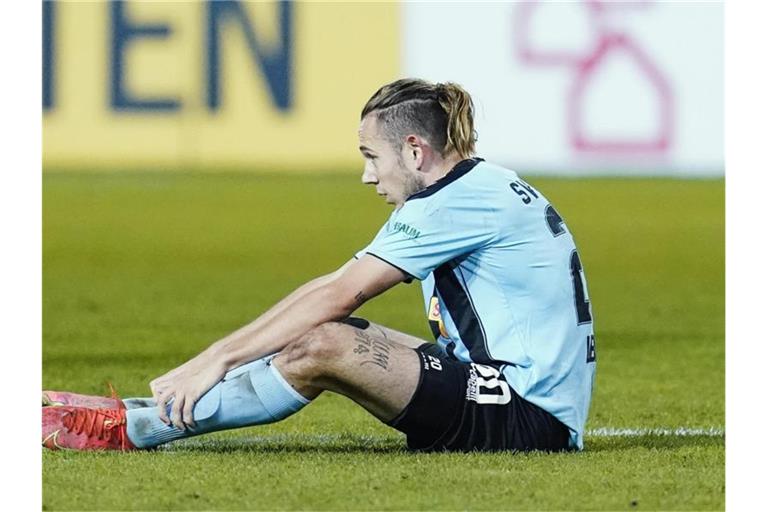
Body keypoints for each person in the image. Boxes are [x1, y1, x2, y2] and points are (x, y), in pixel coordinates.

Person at [42, 78, 596, 453]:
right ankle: (142, 407)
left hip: (526, 417)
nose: (367, 176)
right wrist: (215, 358)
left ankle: (133, 429)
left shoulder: (454, 201)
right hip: (496, 384)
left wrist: (217, 357)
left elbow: (343, 291)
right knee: (325, 335)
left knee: (325, 345)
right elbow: (332, 288)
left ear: (413, 150)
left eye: (370, 157)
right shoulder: (480, 184)